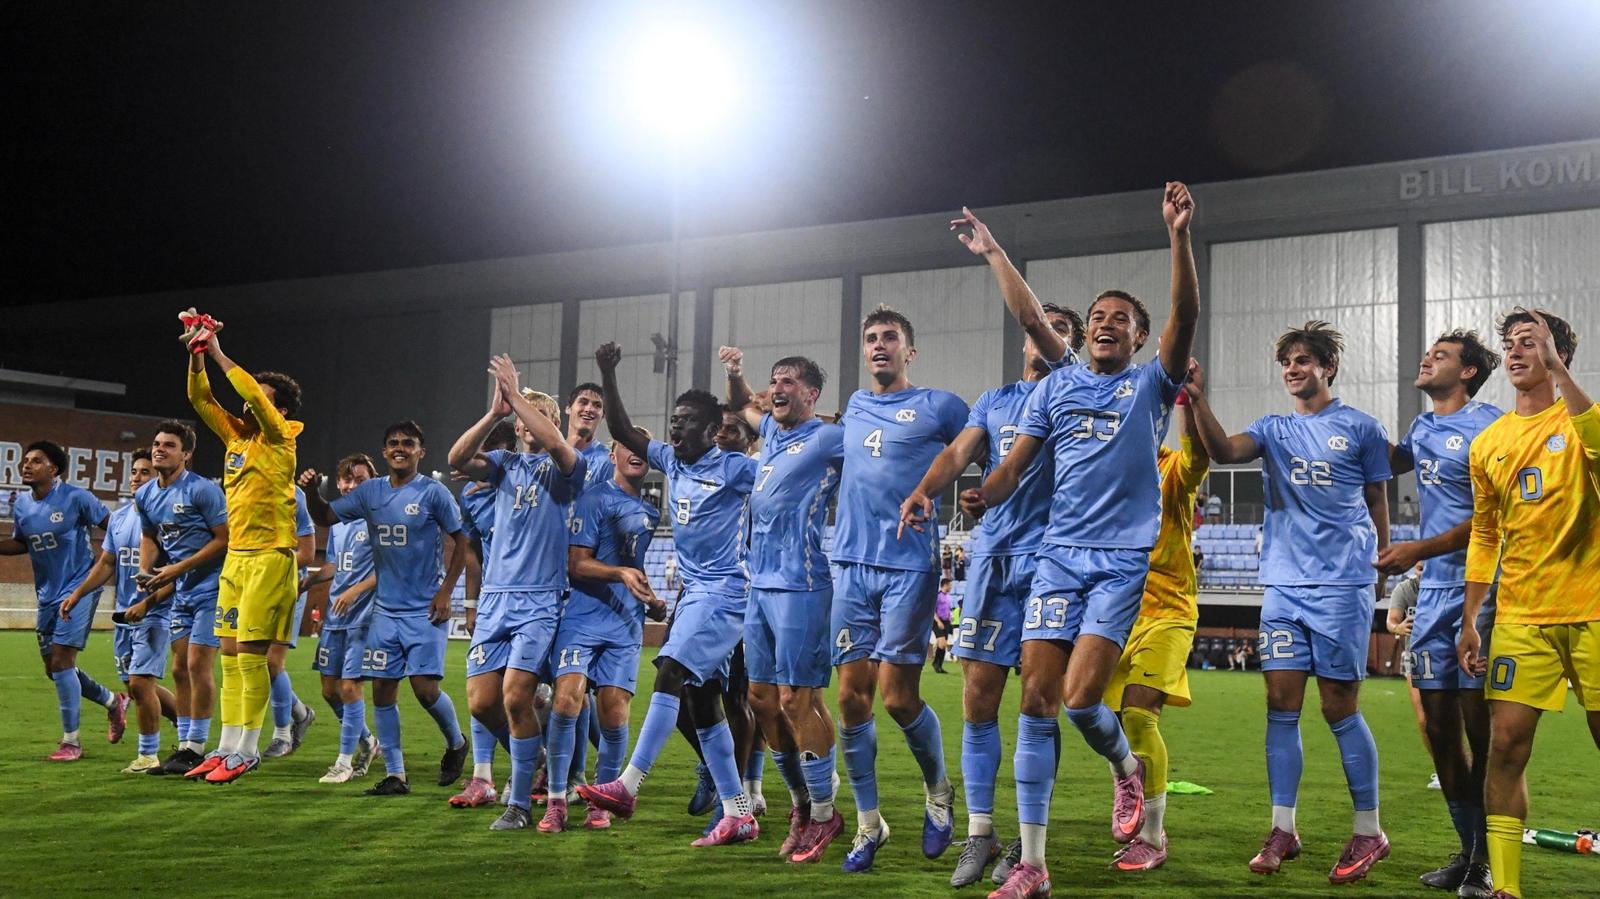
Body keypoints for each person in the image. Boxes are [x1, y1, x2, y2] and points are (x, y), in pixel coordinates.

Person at [966, 182, 1198, 899]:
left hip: (1121, 563)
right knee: (1035, 698)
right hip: (1057, 557)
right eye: (1096, 316)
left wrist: (1178, 237)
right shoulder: (1055, 385)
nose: (1104, 324)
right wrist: (987, 492)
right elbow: (1013, 464)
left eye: (1120, 319)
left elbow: (1186, 314)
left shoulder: (1150, 387)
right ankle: (1033, 864)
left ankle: (1126, 768)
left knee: (1077, 700)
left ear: (1139, 336)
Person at [899, 204, 1081, 886]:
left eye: (1062, 328)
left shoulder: (1072, 390)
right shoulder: (996, 398)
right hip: (992, 557)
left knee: (1039, 700)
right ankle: (981, 831)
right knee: (978, 698)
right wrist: (924, 489)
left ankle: (1030, 848)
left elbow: (1032, 315)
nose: (1047, 332)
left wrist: (992, 252)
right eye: (1048, 325)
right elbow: (958, 453)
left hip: (1051, 563)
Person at [1186, 320, 1393, 883]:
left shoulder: (1362, 428)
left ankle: (1369, 831)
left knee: (1338, 707)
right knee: (1280, 705)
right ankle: (1283, 827)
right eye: (1286, 362)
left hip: (1341, 584)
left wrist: (1382, 561)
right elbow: (1225, 452)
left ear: (1327, 367)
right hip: (1281, 586)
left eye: (1303, 360)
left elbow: (1378, 497)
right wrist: (1199, 400)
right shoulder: (1272, 429)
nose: (1292, 370)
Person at [578, 342, 762, 848]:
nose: (674, 428)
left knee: (669, 671)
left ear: (712, 430)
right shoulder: (673, 463)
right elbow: (622, 431)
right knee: (704, 705)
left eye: (685, 422)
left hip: (726, 593)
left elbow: (782, 479)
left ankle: (629, 784)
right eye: (673, 420)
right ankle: (738, 812)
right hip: (693, 595)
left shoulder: (735, 469)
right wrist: (608, 373)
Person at [1458, 309, 1599, 899]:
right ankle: (1506, 887)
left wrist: (1561, 370)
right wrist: (1470, 617)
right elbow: (1485, 534)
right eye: (1510, 345)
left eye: (1530, 344)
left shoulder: (1585, 421)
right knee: (1506, 746)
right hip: (1520, 616)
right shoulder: (1489, 443)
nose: (1515, 354)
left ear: (1556, 354)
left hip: (1593, 609)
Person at [831, 304, 970, 873]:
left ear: (909, 351)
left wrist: (970, 491)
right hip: (849, 564)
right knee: (847, 698)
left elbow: (982, 447)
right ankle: (869, 825)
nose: (879, 345)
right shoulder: (855, 407)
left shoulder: (939, 405)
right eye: (871, 338)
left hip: (908, 565)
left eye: (890, 337)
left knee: (896, 697)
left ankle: (938, 793)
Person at [1376, 328, 1505, 897]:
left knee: (1483, 735)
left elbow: (1489, 520)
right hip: (1431, 599)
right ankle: (1469, 853)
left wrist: (1416, 550)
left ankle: (1488, 862)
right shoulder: (1422, 427)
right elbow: (1381, 462)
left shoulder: (1490, 426)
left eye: (1441, 355)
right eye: (1428, 353)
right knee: (1440, 731)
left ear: (1469, 372)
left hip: (1482, 595)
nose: (1427, 359)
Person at [445, 360, 589, 831]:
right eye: (524, 412)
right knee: (481, 704)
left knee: (513, 699)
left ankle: (521, 803)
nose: (530, 418)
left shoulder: (568, 470)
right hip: (495, 600)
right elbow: (456, 459)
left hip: (540, 600)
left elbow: (555, 442)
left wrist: (519, 398)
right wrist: (494, 414)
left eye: (539, 411)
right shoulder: (504, 465)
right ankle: (539, 756)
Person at [721, 348, 847, 862]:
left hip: (803, 583)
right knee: (761, 699)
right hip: (760, 585)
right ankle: (800, 803)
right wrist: (736, 375)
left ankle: (825, 813)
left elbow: (881, 453)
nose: (778, 388)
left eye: (789, 381)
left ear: (812, 395)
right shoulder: (772, 432)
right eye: (774, 380)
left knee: (799, 700)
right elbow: (743, 405)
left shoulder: (829, 438)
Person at [300, 420, 470, 797]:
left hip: (424, 609)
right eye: (393, 442)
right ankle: (396, 775)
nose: (400, 448)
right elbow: (326, 516)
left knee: (425, 690)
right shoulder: (371, 492)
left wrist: (446, 592)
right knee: (383, 692)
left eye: (408, 443)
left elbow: (462, 541)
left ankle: (456, 742)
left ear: (420, 452)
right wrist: (312, 493)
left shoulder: (434, 493)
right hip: (385, 612)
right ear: (384, 450)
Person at [179, 313, 306, 784]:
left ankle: (247, 750)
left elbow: (249, 391)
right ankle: (226, 745)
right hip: (237, 559)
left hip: (271, 556)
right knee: (228, 655)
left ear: (280, 411)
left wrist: (216, 350)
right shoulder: (237, 436)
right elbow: (200, 397)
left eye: (263, 402)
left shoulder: (280, 438)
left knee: (251, 657)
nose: (250, 407)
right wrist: (196, 358)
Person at [1099, 358, 1211, 873]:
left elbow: (1199, 458)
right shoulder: (1105, 473)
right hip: (1115, 612)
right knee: (1111, 725)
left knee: (1140, 717)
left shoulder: (1171, 467)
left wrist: (1188, 400)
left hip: (1168, 611)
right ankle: (1134, 802)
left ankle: (1154, 835)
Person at [542, 436, 665, 831]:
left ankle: (602, 798)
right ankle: (556, 800)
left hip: (625, 622)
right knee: (566, 700)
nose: (635, 454)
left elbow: (635, 572)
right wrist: (621, 573)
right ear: (612, 454)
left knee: (614, 712)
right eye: (626, 446)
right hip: (581, 618)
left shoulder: (650, 510)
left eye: (643, 450)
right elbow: (577, 565)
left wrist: (654, 603)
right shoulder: (594, 498)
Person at [2, 441, 125, 761]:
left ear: (53, 469)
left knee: (61, 661)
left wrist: (116, 562)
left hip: (80, 587)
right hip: (46, 593)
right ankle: (113, 701)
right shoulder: (23, 506)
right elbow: (21, 543)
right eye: (26, 461)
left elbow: (114, 528)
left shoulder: (76, 498)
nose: (27, 465)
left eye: (36, 461)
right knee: (53, 668)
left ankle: (72, 741)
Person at [59, 449, 176, 772]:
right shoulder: (122, 517)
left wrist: (148, 602)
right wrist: (78, 593)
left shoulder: (170, 519)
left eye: (145, 472)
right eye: (135, 472)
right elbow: (107, 562)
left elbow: (181, 573)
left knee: (140, 682)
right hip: (124, 614)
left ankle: (148, 755)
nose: (137, 477)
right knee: (135, 686)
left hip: (156, 611)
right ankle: (190, 728)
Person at [134, 421, 230, 776]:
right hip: (183, 590)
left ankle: (197, 747)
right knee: (177, 668)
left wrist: (177, 568)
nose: (159, 449)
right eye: (157, 443)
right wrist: (147, 571)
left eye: (169, 445)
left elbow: (224, 539)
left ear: (186, 454)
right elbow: (149, 535)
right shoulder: (145, 494)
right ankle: (186, 745)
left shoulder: (203, 490)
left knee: (196, 665)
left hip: (214, 587)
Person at [450, 419, 516, 807]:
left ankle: (559, 775)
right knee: (481, 689)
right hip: (493, 602)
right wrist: (471, 604)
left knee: (536, 696)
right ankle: (482, 776)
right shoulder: (472, 496)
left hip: (539, 602)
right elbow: (472, 553)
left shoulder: (532, 487)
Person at [305, 453, 381, 784]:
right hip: (336, 617)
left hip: (364, 617)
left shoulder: (379, 518)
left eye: (360, 479)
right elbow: (337, 566)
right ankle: (368, 742)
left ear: (372, 483)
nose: (352, 485)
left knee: (350, 687)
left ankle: (344, 761)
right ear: (338, 483)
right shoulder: (338, 524)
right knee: (328, 690)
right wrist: (309, 581)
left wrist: (355, 592)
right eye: (347, 479)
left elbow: (388, 568)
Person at [262, 488, 318, 758]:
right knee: (249, 661)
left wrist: (265, 564)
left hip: (286, 586)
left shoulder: (292, 494)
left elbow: (307, 554)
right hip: (251, 587)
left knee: (273, 663)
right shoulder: (240, 485)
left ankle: (282, 734)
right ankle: (301, 713)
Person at [930, 579, 953, 675]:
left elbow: (948, 609)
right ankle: (936, 664)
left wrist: (950, 616)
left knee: (943, 645)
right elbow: (933, 610)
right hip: (938, 621)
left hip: (946, 621)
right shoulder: (937, 596)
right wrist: (938, 621)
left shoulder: (949, 597)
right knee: (942, 644)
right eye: (950, 585)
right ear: (945, 585)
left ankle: (938, 665)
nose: (951, 587)